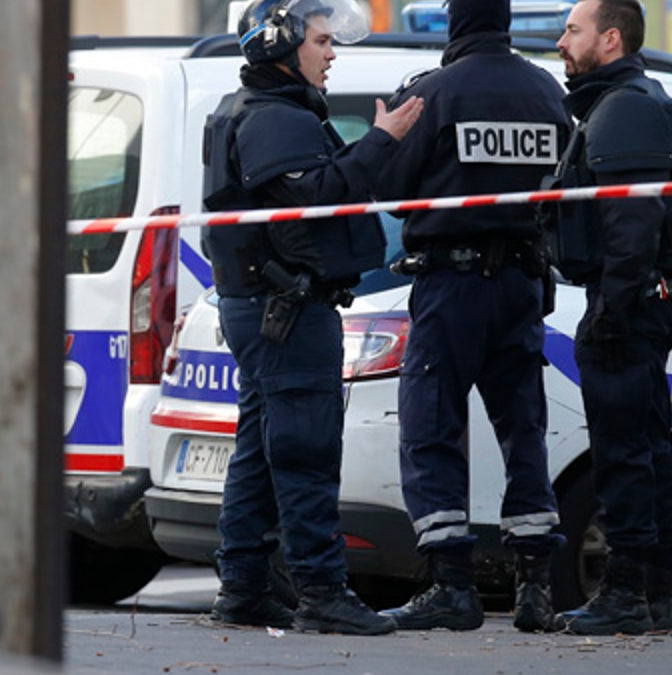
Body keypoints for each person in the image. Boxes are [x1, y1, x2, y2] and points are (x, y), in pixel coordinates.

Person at [200, 0, 422, 635]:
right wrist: (383, 141)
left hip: (269, 307)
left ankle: (242, 588)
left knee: (261, 452)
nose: (331, 54)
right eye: (322, 42)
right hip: (287, 309)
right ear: (279, 47)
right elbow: (316, 199)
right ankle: (322, 592)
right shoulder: (274, 119)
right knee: (305, 450)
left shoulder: (268, 112)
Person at [374, 0, 571, 634]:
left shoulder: (432, 93)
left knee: (431, 425)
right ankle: (536, 586)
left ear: (457, 22)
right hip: (521, 284)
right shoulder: (545, 90)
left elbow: (391, 189)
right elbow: (565, 189)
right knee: (524, 430)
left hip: (451, 285)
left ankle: (451, 586)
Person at [547, 0, 672, 635]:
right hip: (639, 300)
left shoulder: (629, 107)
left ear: (609, 39)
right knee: (641, 447)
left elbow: (632, 224)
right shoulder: (625, 101)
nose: (562, 41)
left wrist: (611, 308)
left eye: (572, 30)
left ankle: (627, 593)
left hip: (631, 305)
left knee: (623, 453)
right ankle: (660, 592)